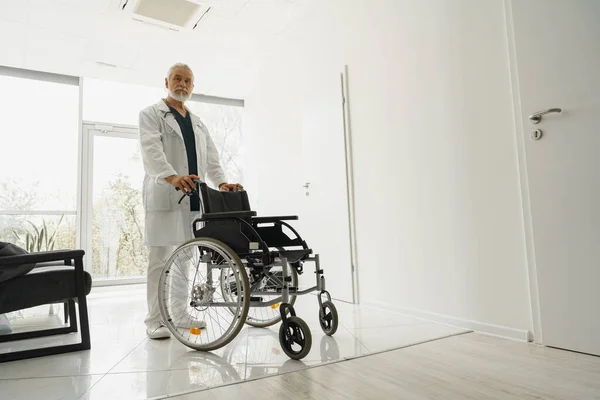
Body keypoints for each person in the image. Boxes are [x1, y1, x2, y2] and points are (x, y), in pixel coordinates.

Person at [138, 62, 242, 339]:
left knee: (185, 258)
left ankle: (180, 314)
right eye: (177, 79)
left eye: (187, 81)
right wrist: (171, 177)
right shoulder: (151, 114)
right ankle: (155, 319)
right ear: (167, 81)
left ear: (193, 86)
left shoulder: (197, 122)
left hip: (193, 199)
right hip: (164, 195)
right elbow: (152, 151)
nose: (182, 84)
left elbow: (211, 158)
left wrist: (221, 182)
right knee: (160, 260)